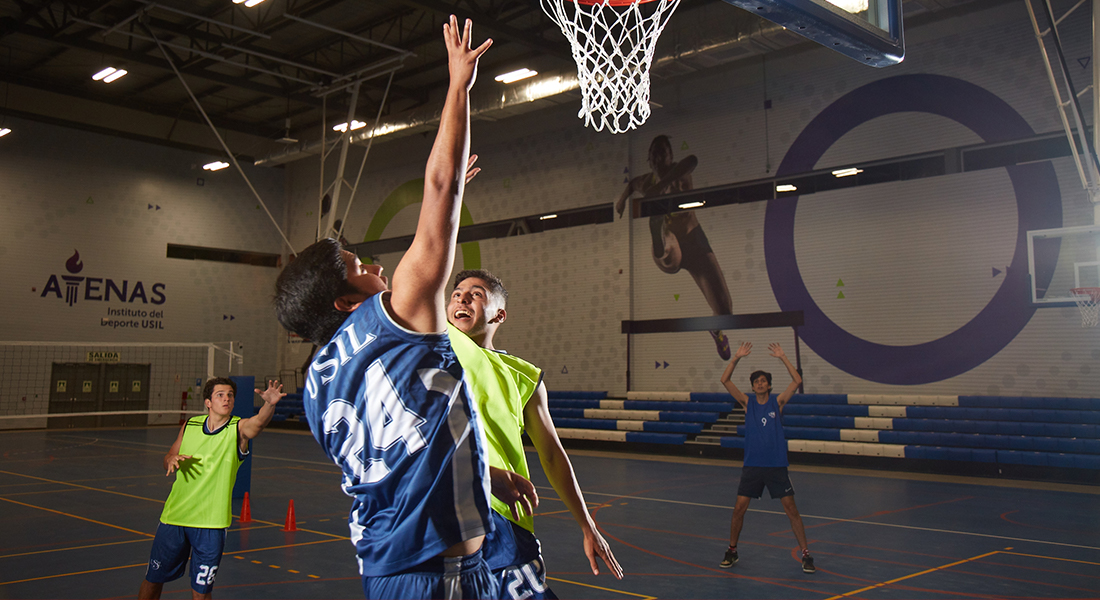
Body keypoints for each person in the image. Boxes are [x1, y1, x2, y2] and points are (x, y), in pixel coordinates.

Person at [274, 17, 535, 600]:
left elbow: (401, 447)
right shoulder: (395, 316)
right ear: (345, 301)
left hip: (389, 567)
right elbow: (440, 193)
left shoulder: (316, 388)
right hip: (438, 573)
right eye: (357, 266)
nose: (373, 265)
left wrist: (484, 474)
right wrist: (458, 86)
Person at [447, 269, 624, 599]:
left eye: (476, 294)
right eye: (456, 293)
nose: (462, 297)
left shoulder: (524, 375)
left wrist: (587, 524)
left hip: (501, 511)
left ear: (499, 314)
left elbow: (553, 454)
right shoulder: (434, 347)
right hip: (442, 499)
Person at [138, 377, 286, 600]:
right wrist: (170, 460)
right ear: (208, 402)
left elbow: (257, 424)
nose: (226, 399)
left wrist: (269, 404)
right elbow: (169, 454)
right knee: (153, 579)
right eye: (220, 395)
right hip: (174, 517)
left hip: (211, 524)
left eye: (230, 395)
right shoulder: (191, 425)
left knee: (201, 592)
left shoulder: (238, 428)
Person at [615, 134, 734, 360]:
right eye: (654, 156)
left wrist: (661, 185)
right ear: (650, 160)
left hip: (695, 239)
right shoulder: (644, 182)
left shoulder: (680, 172)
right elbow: (631, 184)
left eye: (663, 154)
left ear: (670, 157)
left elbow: (692, 160)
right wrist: (621, 200)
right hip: (671, 239)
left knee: (726, 311)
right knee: (670, 251)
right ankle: (656, 231)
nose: (659, 159)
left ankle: (716, 330)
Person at [718, 341, 815, 574]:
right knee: (739, 509)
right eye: (756, 382)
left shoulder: (777, 402)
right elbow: (725, 381)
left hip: (776, 466)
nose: (759, 383)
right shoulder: (747, 403)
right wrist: (736, 358)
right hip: (752, 466)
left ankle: (806, 554)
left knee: (791, 509)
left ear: (769, 385)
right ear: (753, 387)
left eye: (763, 381)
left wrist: (783, 357)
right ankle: (732, 551)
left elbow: (797, 381)